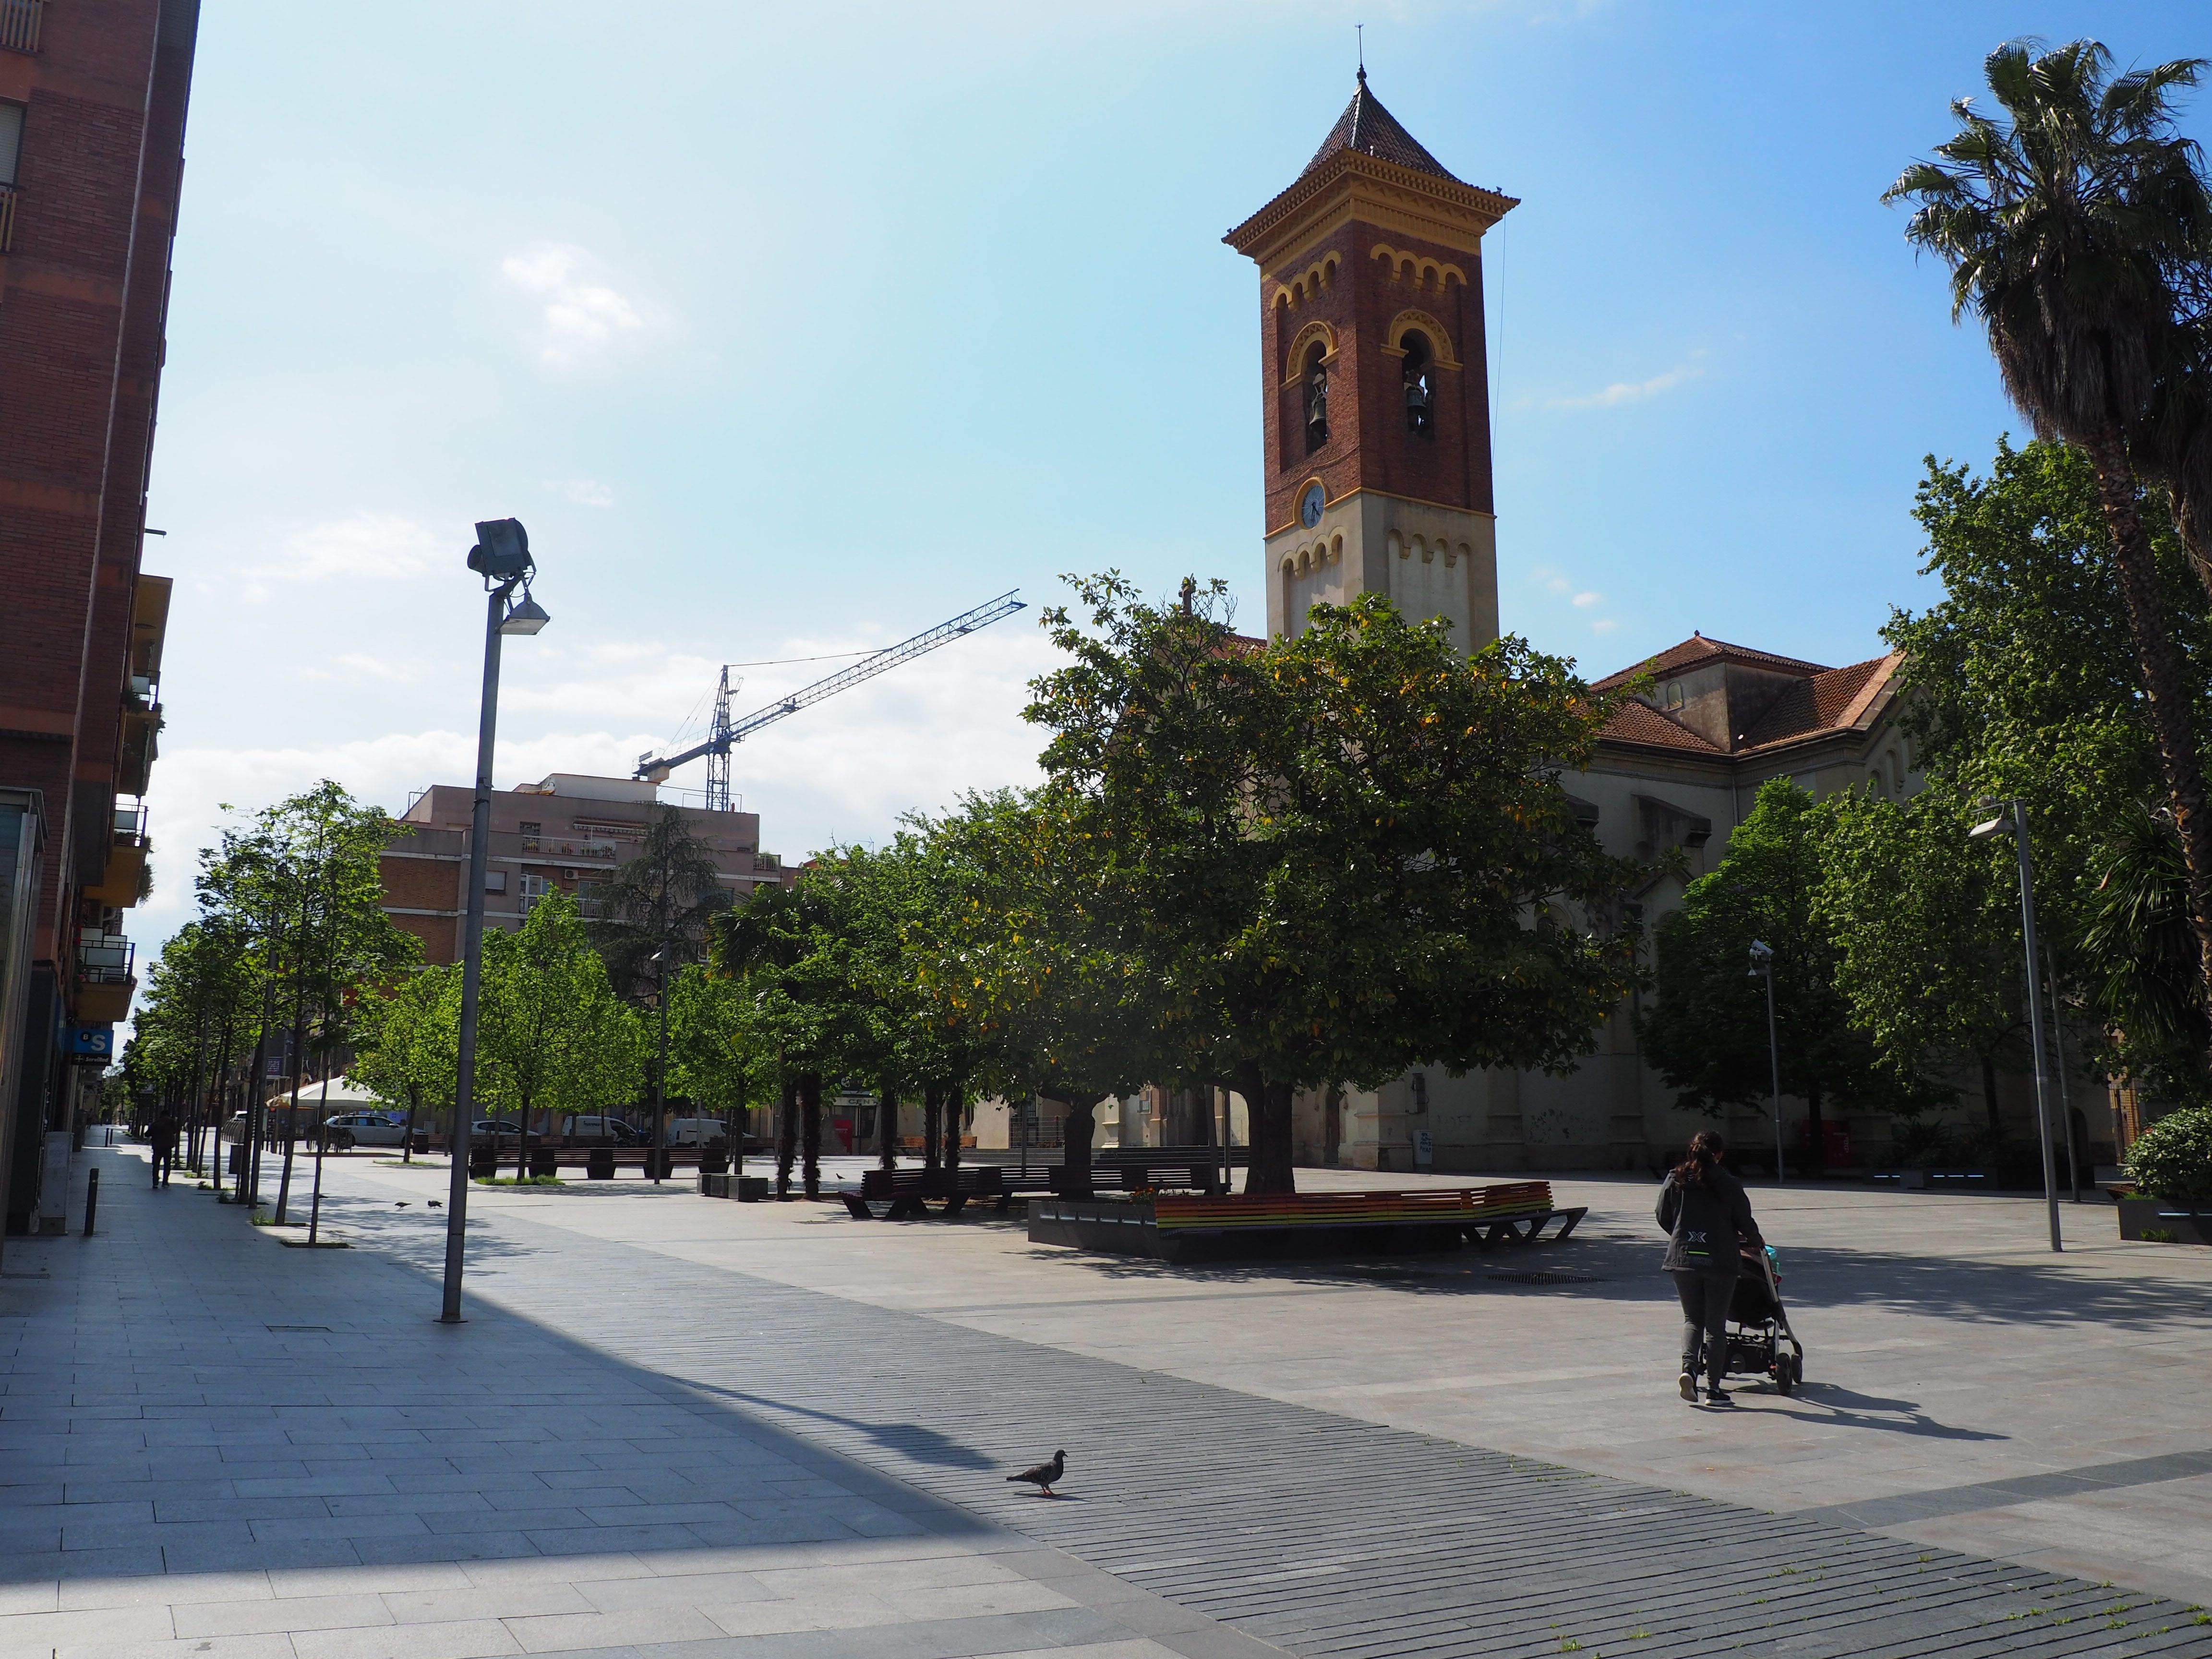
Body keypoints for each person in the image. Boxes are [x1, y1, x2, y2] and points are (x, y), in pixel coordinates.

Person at [1656, 1130, 1763, 1406]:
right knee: (1715, 1326)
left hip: (1684, 1258)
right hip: (1719, 1260)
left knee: (1693, 1319)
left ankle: (1689, 1370)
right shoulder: (1728, 1182)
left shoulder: (1675, 1178)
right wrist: (1755, 1241)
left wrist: (1681, 1235)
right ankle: (1714, 1390)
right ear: (1719, 1155)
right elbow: (1744, 1220)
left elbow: (1663, 1215)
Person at [150, 1111, 179, 1189]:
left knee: (156, 1165)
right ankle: (165, 1182)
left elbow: (148, 1133)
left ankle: (155, 1182)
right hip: (168, 1147)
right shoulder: (172, 1122)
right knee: (167, 1165)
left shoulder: (156, 1123)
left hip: (157, 1147)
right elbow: (176, 1131)